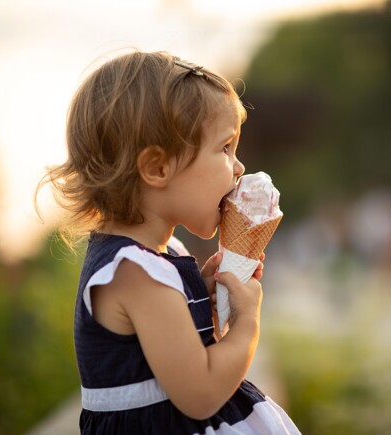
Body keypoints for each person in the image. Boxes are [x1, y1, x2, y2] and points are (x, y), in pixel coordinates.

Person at [37, 50, 300, 434]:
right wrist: (247, 323)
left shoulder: (163, 257)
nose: (239, 167)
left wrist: (204, 301)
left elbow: (176, 354)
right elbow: (201, 393)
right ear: (157, 168)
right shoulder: (135, 273)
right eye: (225, 148)